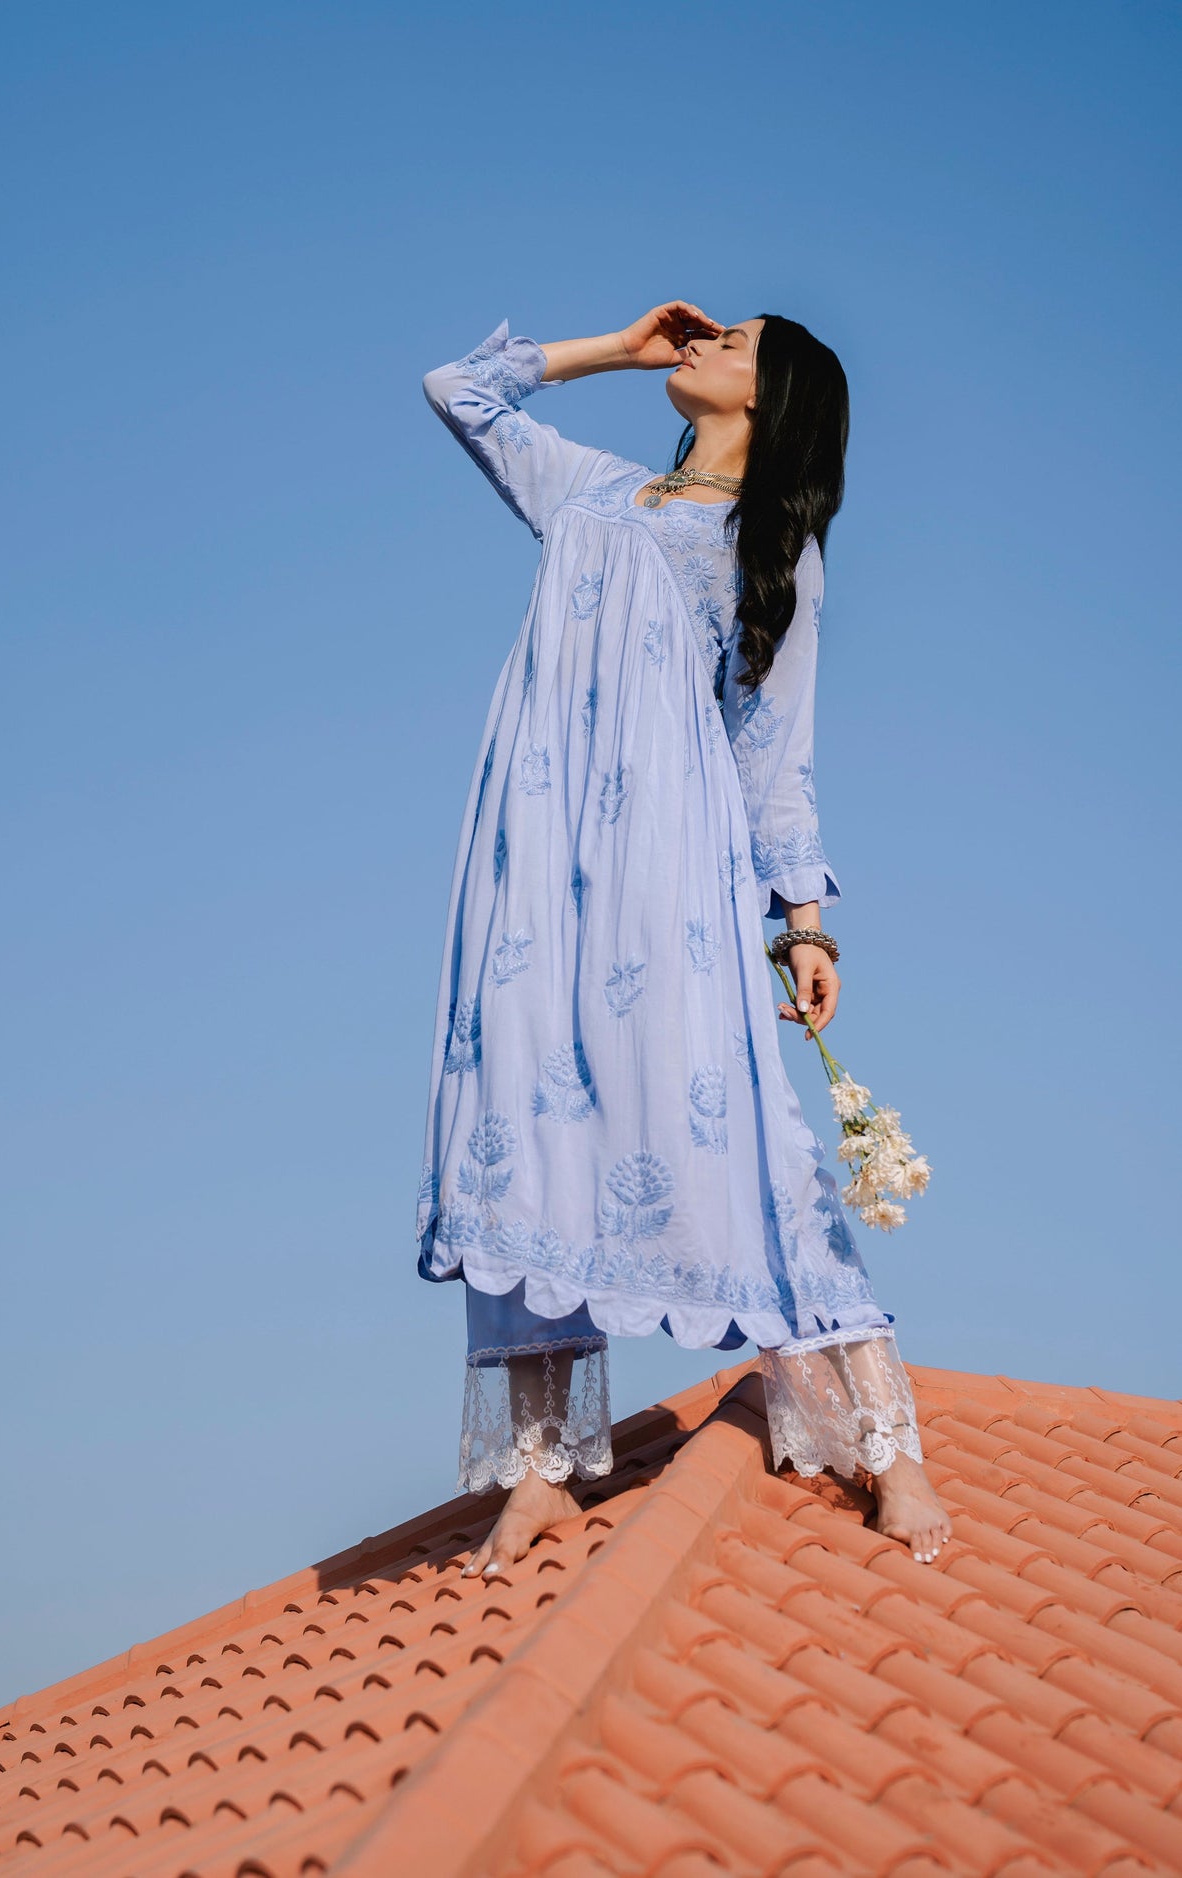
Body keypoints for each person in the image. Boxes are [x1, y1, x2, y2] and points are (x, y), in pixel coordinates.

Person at [412, 302, 953, 1576]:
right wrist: (611, 346)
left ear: (775, 397)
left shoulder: (769, 550)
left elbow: (775, 755)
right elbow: (457, 389)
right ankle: (540, 1474)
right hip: (534, 867)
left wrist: (802, 923)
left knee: (735, 1123)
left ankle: (887, 1447)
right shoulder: (589, 494)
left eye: (733, 342)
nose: (702, 340)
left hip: (672, 867)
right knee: (518, 1131)